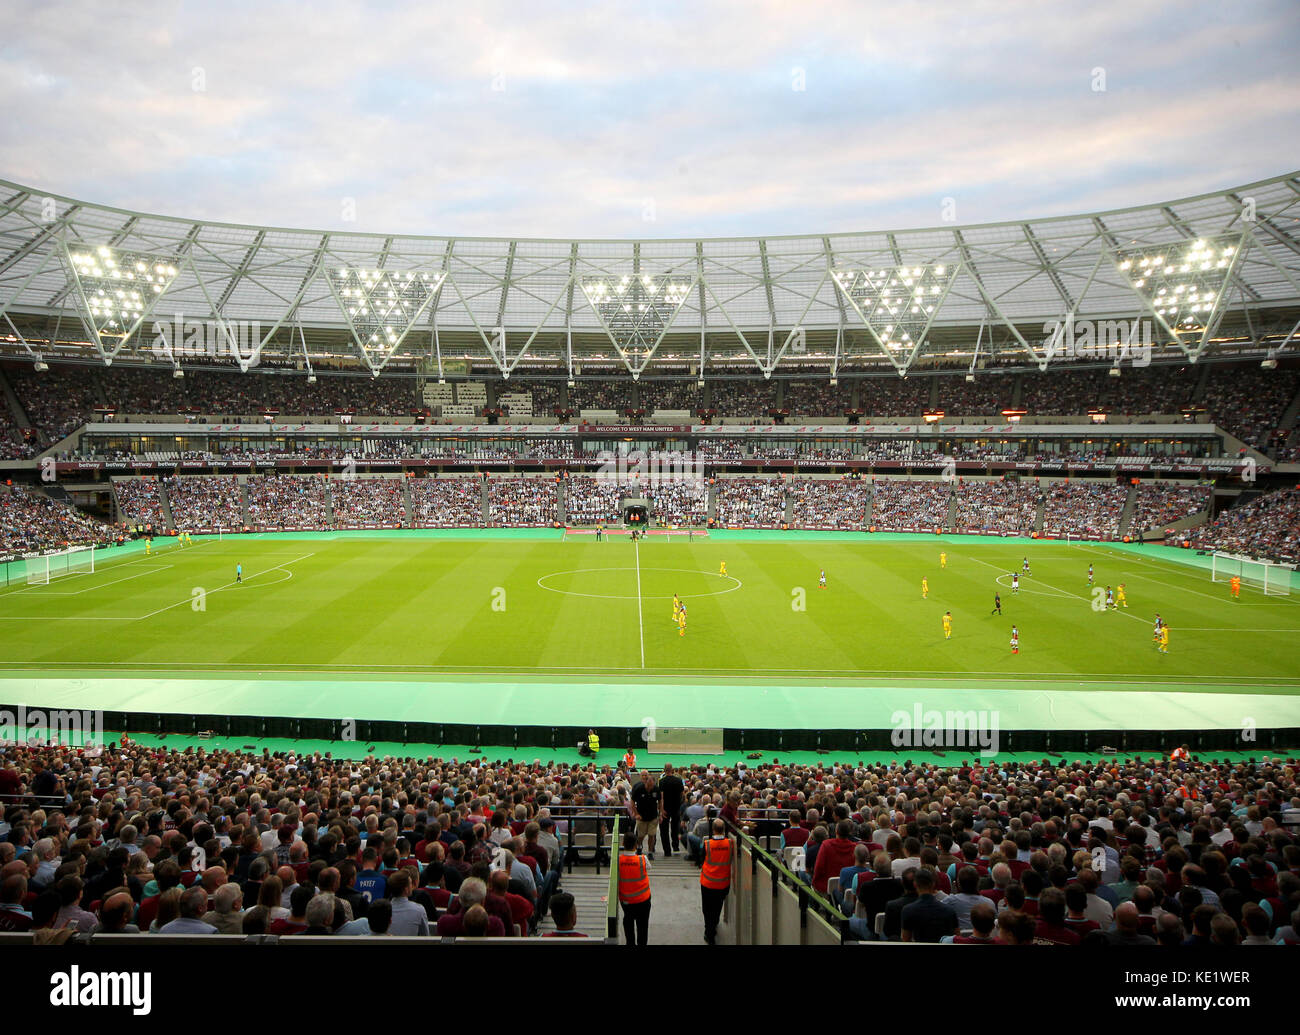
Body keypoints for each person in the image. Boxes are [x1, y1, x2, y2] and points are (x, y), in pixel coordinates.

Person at [699, 819, 733, 945]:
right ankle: (712, 927)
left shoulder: (707, 844)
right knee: (717, 907)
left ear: (713, 830)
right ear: (723, 830)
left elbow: (701, 860)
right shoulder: (730, 844)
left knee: (707, 909)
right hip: (723, 883)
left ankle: (709, 931)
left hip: (708, 883)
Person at [616, 832, 651, 946]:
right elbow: (649, 868)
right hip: (643, 900)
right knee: (643, 927)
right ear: (636, 845)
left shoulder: (618, 860)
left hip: (626, 901)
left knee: (628, 922)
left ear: (623, 844)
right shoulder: (643, 859)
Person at [658, 762, 685, 857]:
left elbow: (661, 797)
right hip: (676, 808)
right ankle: (676, 847)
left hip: (665, 809)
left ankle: (667, 850)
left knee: (664, 830)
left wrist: (661, 809)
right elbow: (682, 794)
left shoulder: (661, 781)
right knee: (675, 828)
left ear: (664, 770)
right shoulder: (678, 780)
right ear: (672, 770)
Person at [632, 770, 660, 859]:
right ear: (646, 782)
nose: (650, 788)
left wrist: (661, 811)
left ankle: (650, 852)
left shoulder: (656, 789)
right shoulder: (638, 788)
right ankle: (639, 847)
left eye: (652, 785)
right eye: (649, 785)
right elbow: (632, 801)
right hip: (641, 816)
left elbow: (660, 800)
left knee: (652, 835)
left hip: (653, 816)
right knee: (640, 835)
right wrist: (636, 813)